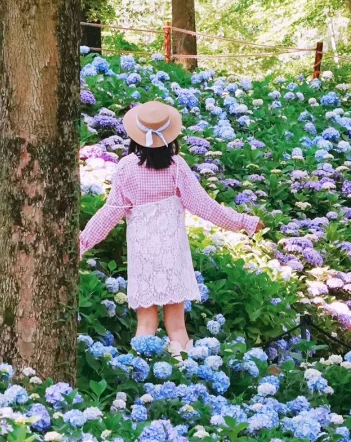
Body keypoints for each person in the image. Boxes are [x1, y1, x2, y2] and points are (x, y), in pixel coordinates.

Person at [78, 100, 262, 351]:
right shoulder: (176, 167)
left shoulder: (126, 169)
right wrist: (245, 222)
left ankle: (142, 372)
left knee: (145, 323)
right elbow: (205, 207)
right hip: (173, 254)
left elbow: (109, 214)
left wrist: (80, 245)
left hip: (143, 255)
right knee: (176, 325)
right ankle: (182, 373)